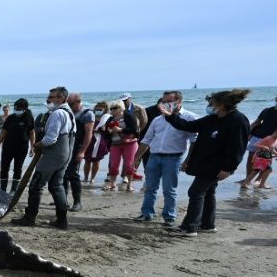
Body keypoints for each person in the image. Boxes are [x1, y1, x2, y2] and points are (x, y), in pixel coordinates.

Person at [163, 89, 251, 237]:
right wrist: (171, 116)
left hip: (218, 166)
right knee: (208, 192)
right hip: (206, 163)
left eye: (212, 102)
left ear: (222, 104)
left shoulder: (238, 120)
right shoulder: (212, 118)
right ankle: (207, 225)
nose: (210, 105)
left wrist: (228, 168)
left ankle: (189, 227)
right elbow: (189, 126)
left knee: (195, 192)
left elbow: (238, 147)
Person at [11, 86, 74, 229]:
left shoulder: (58, 113)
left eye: (51, 97)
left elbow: (51, 138)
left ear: (61, 98)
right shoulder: (69, 112)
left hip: (53, 154)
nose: (48, 99)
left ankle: (30, 217)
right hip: (65, 153)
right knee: (56, 186)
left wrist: (38, 144)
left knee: (36, 185)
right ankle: (62, 221)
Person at [131, 90, 197, 225]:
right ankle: (147, 213)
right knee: (150, 187)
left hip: (173, 158)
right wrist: (136, 157)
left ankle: (169, 216)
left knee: (169, 189)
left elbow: (194, 141)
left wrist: (188, 160)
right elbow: (146, 139)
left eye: (169, 101)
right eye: (163, 101)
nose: (165, 104)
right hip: (154, 157)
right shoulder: (157, 119)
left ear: (179, 101)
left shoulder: (189, 117)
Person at [241, 91, 277, 188]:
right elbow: (256, 123)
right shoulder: (267, 110)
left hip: (273, 139)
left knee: (266, 160)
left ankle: (258, 180)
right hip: (257, 136)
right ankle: (247, 179)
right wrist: (248, 133)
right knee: (251, 157)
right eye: (276, 99)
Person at [0, 98, 35, 192]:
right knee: (4, 168)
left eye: (19, 109)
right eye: (15, 108)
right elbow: (3, 132)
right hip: (8, 147)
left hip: (22, 148)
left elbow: (32, 133)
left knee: (17, 169)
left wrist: (32, 147)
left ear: (24, 109)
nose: (16, 111)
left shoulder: (28, 118)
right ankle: (2, 189)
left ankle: (13, 190)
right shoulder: (11, 118)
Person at [62, 93, 94, 211]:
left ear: (78, 102)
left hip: (77, 148)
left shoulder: (87, 114)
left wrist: (82, 151)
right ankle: (63, 200)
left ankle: (77, 202)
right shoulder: (68, 112)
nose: (69, 106)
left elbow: (88, 133)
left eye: (71, 104)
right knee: (62, 174)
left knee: (72, 174)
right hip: (66, 147)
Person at [102, 100, 141, 192]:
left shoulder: (128, 116)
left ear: (121, 108)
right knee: (113, 165)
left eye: (115, 108)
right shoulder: (110, 119)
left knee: (129, 165)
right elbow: (106, 133)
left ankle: (129, 185)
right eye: (111, 108)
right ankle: (112, 184)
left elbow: (134, 129)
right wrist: (108, 131)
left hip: (130, 143)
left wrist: (120, 130)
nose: (112, 110)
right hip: (115, 144)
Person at [246, 125, 277, 189]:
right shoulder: (268, 138)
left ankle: (246, 183)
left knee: (256, 171)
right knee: (268, 170)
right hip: (260, 157)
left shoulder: (276, 140)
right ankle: (261, 184)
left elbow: (272, 150)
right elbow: (256, 144)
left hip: (266, 158)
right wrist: (263, 146)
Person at [83, 101, 111, 184]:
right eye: (97, 109)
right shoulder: (91, 117)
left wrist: (102, 129)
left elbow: (109, 130)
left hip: (100, 141)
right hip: (89, 141)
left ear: (105, 110)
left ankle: (92, 178)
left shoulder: (107, 118)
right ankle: (85, 177)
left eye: (100, 109)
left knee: (96, 160)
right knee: (87, 160)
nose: (98, 110)